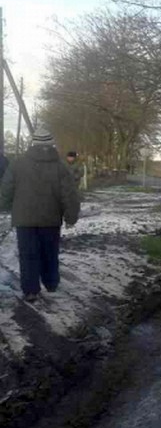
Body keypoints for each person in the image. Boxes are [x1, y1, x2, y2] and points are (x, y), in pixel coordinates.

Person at [0, 127, 81, 302]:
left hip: (24, 219)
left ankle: (30, 290)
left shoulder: (17, 163)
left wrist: (5, 207)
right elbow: (70, 194)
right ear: (52, 144)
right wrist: (71, 216)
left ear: (33, 144)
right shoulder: (61, 166)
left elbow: (6, 190)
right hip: (50, 219)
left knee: (28, 254)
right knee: (49, 252)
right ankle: (51, 283)